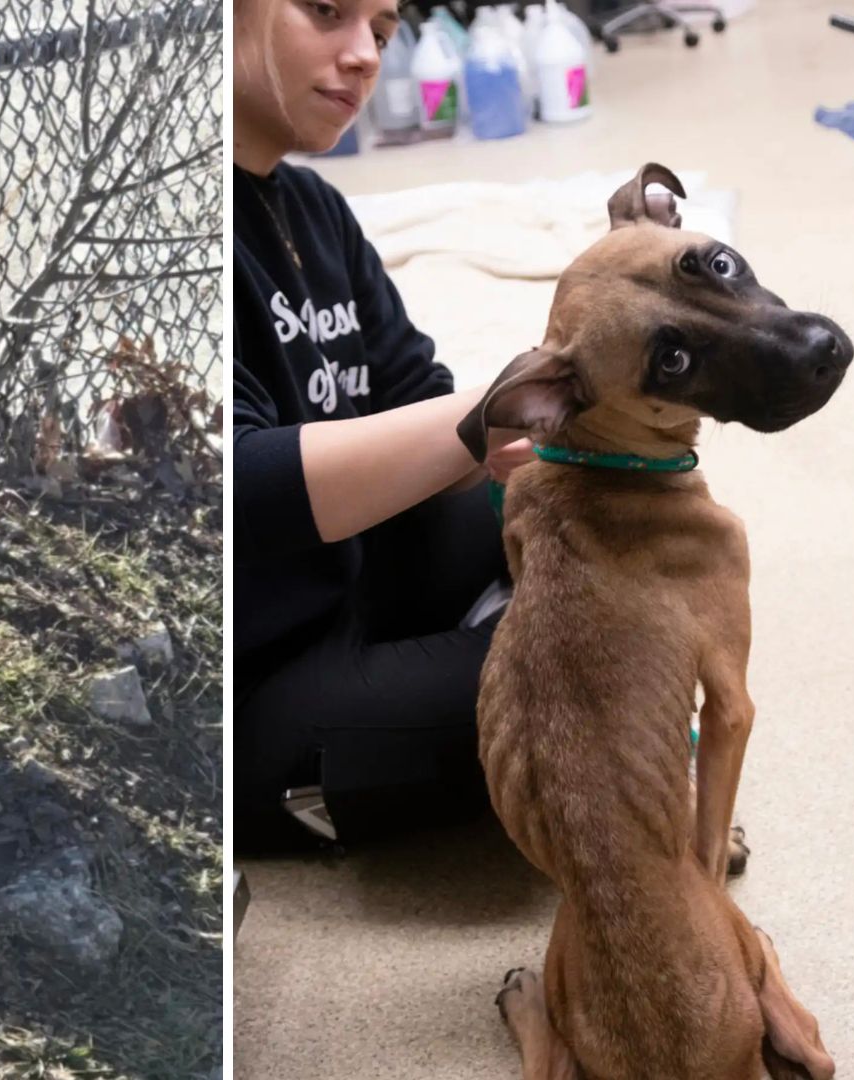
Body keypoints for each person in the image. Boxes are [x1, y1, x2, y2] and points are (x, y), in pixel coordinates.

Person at [233, 0, 534, 853]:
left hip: (353, 576)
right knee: (576, 681)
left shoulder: (311, 205)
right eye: (327, 11)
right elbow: (243, 490)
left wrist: (558, 432)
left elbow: (415, 393)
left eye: (383, 27)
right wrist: (488, 412)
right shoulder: (178, 225)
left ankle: (493, 628)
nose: (364, 56)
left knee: (620, 539)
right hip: (254, 677)